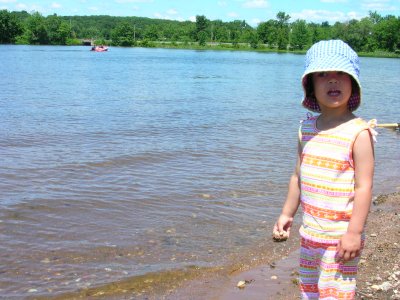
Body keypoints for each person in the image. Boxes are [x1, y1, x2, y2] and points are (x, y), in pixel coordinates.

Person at [273, 40, 376, 299]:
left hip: (340, 240)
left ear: (352, 82)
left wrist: (354, 232)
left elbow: (364, 187)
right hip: (309, 233)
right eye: (323, 75)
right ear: (310, 85)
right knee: (310, 291)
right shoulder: (306, 128)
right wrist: (287, 213)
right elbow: (298, 175)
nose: (333, 81)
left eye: (341, 74)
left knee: (335, 294)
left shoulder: (358, 133)